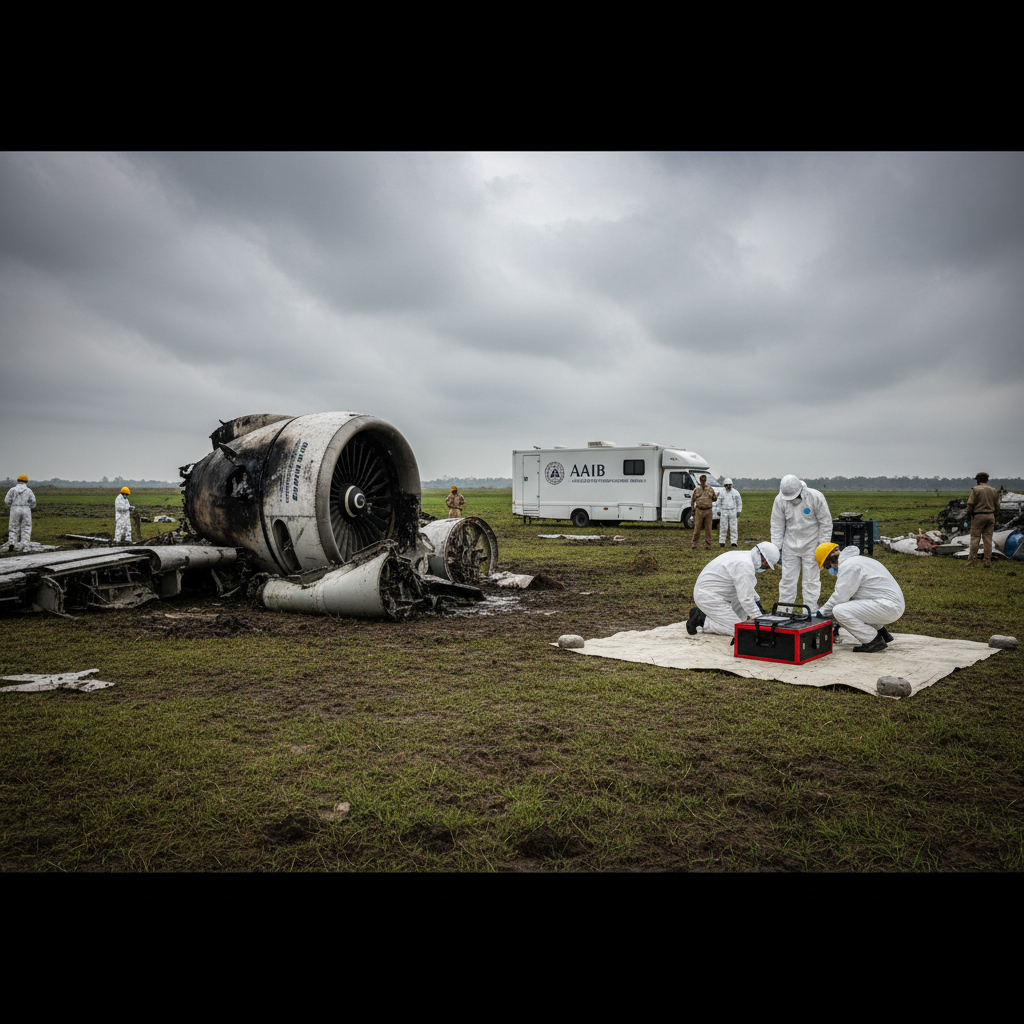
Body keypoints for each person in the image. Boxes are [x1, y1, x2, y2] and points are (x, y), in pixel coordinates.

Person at [815, 542, 905, 653]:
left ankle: (872, 640)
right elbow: (849, 596)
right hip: (889, 604)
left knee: (839, 610)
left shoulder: (849, 566)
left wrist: (821, 613)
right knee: (852, 603)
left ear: (831, 560)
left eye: (827, 566)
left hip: (888, 607)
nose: (829, 570)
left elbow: (840, 597)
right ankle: (882, 633)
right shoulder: (858, 560)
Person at [687, 542, 781, 635]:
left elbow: (745, 587)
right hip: (709, 597)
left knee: (744, 622)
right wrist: (757, 617)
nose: (764, 568)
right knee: (740, 630)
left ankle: (710, 616)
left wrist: (756, 602)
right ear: (763, 559)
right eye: (766, 566)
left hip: (718, 593)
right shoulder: (745, 566)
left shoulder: (744, 557)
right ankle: (702, 620)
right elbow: (746, 598)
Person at [771, 474, 833, 615]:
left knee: (811, 581)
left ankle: (810, 613)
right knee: (787, 580)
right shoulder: (780, 499)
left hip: (812, 546)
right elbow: (777, 524)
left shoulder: (815, 497)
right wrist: (776, 548)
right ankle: (784, 612)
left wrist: (822, 548)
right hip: (790, 545)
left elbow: (825, 523)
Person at [966, 471, 1000, 567]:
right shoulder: (993, 490)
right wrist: (996, 517)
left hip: (978, 516)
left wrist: (969, 515)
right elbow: (997, 506)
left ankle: (972, 560)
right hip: (990, 516)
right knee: (988, 539)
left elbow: (970, 504)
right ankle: (987, 561)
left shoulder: (975, 490)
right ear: (986, 480)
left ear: (978, 480)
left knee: (975, 538)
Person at [5, 474, 36, 547]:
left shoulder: (12, 490)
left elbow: (7, 501)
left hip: (15, 508)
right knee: (26, 526)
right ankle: (25, 543)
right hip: (26, 509)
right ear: (26, 481)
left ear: (18, 481)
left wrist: (12, 506)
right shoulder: (28, 490)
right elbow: (33, 501)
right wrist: (29, 507)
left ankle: (12, 542)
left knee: (13, 526)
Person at [690, 474, 717, 549]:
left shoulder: (710, 489)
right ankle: (694, 544)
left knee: (708, 529)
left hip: (708, 511)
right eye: (702, 479)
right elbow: (692, 501)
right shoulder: (697, 490)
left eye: (704, 479)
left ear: (706, 480)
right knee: (697, 528)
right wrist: (693, 510)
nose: (703, 480)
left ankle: (708, 545)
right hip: (699, 511)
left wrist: (716, 497)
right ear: (700, 480)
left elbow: (714, 498)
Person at [718, 478, 742, 548]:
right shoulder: (722, 493)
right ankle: (722, 542)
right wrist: (719, 510)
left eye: (729, 485)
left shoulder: (735, 492)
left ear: (731, 485)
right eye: (726, 485)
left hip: (733, 511)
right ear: (724, 485)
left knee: (733, 527)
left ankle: (734, 542)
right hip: (724, 511)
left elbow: (739, 502)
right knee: (723, 527)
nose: (728, 486)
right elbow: (719, 502)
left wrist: (738, 511)